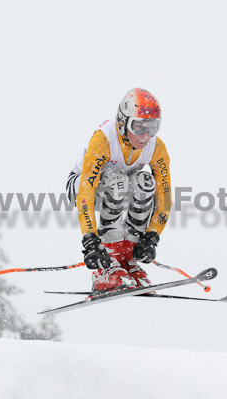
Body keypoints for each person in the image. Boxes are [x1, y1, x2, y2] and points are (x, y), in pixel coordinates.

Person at [66, 88, 171, 292]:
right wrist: (90, 239)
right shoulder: (104, 140)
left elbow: (164, 198)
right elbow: (86, 192)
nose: (144, 136)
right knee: (117, 180)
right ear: (123, 123)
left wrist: (151, 236)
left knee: (146, 181)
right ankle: (105, 267)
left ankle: (127, 259)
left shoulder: (156, 148)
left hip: (118, 190)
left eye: (152, 128)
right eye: (138, 127)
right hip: (82, 188)